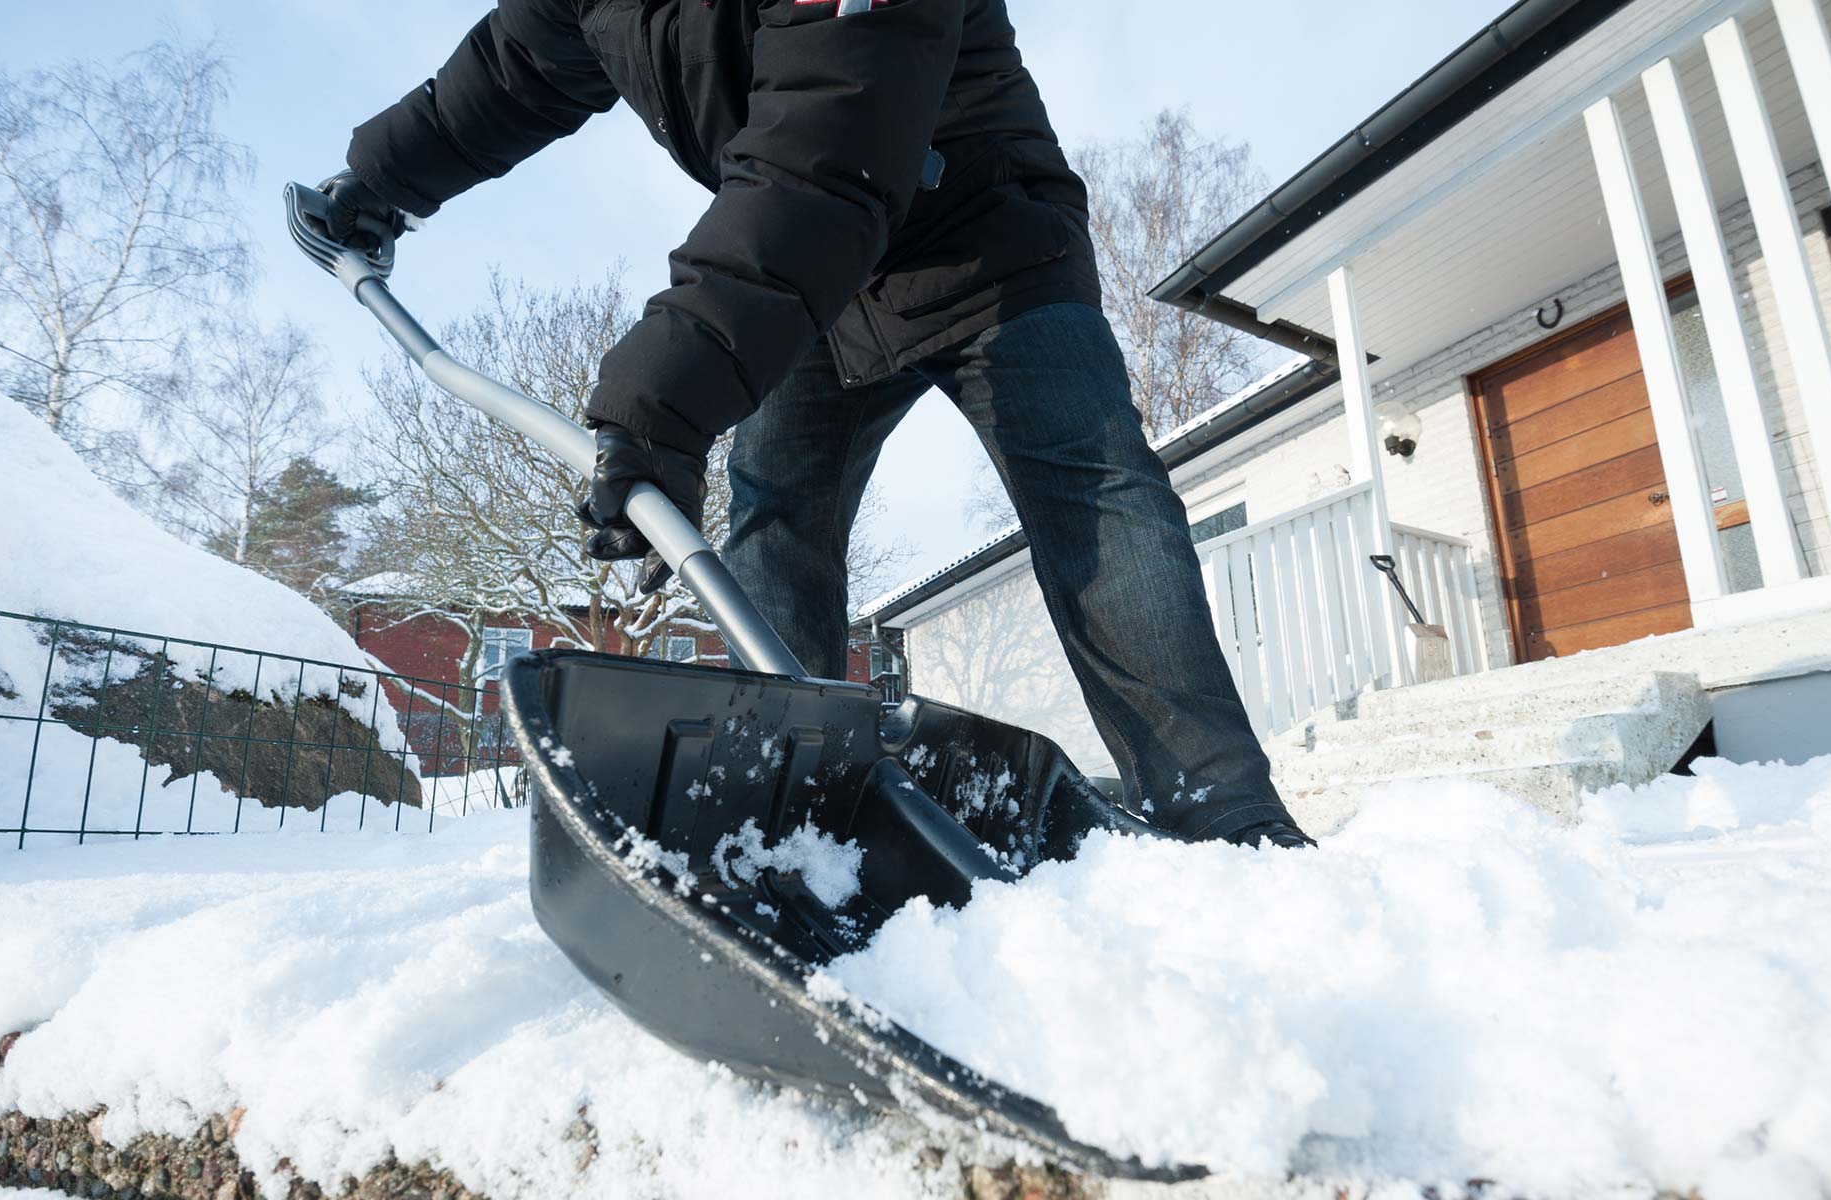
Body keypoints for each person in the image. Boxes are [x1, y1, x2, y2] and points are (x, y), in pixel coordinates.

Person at [323, 0, 1310, 847]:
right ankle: (770, 818)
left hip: (987, 248)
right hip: (818, 278)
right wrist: (369, 188)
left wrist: (662, 400)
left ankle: (1218, 817)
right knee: (773, 526)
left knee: (1094, 498)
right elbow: (503, 76)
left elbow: (826, 152)